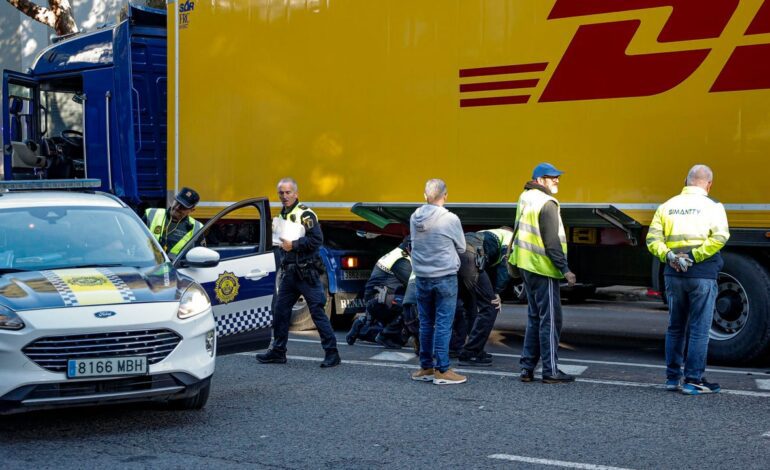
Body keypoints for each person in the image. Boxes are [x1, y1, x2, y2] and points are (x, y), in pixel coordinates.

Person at [646, 164, 729, 395]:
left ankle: (672, 378)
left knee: (675, 327)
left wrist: (670, 256)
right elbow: (721, 237)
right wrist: (693, 257)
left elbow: (652, 240)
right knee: (699, 329)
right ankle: (693, 379)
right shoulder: (713, 206)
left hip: (673, 274)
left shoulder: (667, 206)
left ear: (686, 181)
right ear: (709, 184)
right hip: (701, 274)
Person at [257, 177, 340, 368]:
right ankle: (278, 352)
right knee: (280, 311)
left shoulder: (306, 215)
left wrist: (293, 245)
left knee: (317, 313)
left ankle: (332, 353)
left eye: (288, 192)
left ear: (296, 193)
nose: (284, 196)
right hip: (290, 274)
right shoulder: (283, 214)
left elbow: (316, 240)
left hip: (306, 273)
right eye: (281, 193)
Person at [509, 163, 577, 384]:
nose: (556, 180)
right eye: (551, 177)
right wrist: (564, 269)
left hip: (526, 264)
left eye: (557, 176)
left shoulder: (525, 196)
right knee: (550, 320)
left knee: (535, 318)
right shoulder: (546, 202)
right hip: (542, 266)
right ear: (540, 180)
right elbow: (551, 241)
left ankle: (527, 368)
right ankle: (550, 371)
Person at [409, 178, 467, 385]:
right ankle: (442, 370)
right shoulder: (450, 219)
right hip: (444, 277)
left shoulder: (414, 217)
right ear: (445, 195)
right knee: (443, 324)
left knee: (426, 324)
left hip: (422, 277)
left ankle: (426, 367)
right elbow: (461, 247)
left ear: (425, 196)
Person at [456, 227, 514, 366]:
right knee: (490, 306)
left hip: (453, 255)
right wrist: (497, 292)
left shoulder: (485, 233)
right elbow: (504, 265)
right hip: (470, 256)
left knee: (468, 304)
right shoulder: (509, 237)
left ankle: (458, 348)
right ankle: (470, 352)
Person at [346, 238, 412, 349]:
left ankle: (362, 327)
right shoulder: (401, 260)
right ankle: (385, 335)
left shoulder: (399, 254)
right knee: (410, 304)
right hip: (379, 299)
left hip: (382, 298)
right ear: (409, 247)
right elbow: (413, 283)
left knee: (400, 339)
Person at [143, 187, 204, 260]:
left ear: (192, 210)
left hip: (177, 269)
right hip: (148, 264)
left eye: (183, 207)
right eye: (177, 202)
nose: (177, 207)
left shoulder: (197, 228)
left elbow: (200, 257)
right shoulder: (151, 214)